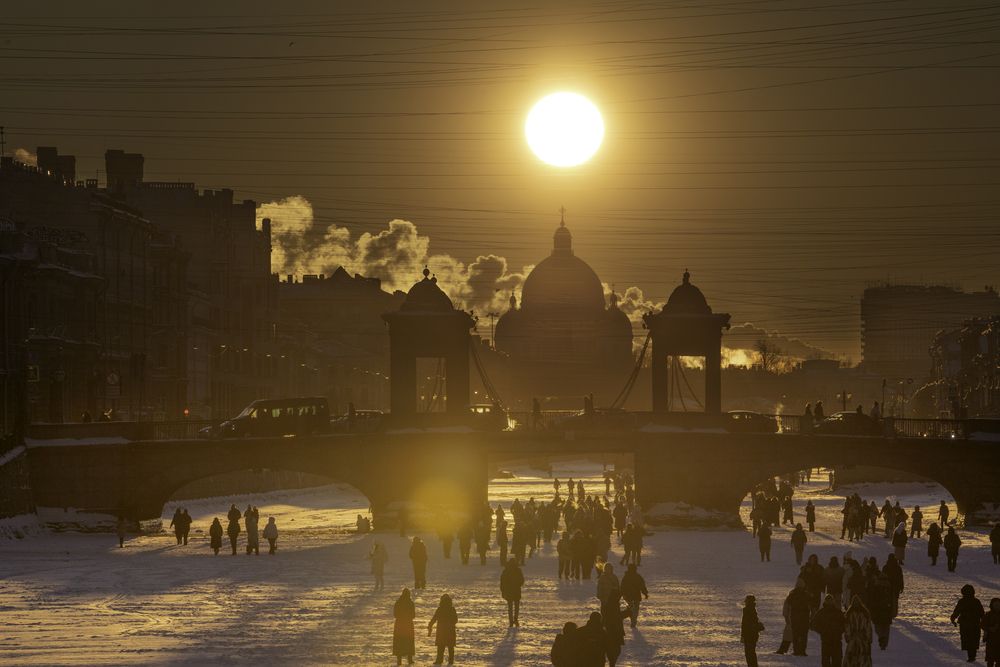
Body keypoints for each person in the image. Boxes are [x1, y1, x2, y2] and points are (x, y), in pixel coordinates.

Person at [951, 584, 986, 662]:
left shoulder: (964, 601)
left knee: (969, 640)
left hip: (969, 624)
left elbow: (957, 611)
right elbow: (982, 613)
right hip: (972, 624)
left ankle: (971, 656)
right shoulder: (975, 601)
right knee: (972, 640)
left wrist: (953, 618)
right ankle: (972, 656)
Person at [810, 594, 845, 667]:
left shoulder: (837, 612)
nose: (829, 602)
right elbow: (813, 624)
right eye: (828, 600)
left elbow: (844, 624)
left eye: (830, 600)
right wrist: (823, 631)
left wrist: (839, 630)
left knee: (835, 661)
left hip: (835, 640)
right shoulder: (822, 612)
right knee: (828, 661)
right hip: (827, 640)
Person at [843, 595, 873, 667]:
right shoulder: (865, 614)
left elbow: (847, 628)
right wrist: (868, 639)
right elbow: (868, 628)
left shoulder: (849, 614)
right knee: (863, 660)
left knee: (851, 660)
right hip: (863, 641)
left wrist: (848, 638)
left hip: (853, 641)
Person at [428, 594, 458, 666]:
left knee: (441, 646)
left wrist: (430, 625)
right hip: (450, 630)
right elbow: (456, 620)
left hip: (441, 630)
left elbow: (434, 618)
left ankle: (439, 660)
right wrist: (451, 623)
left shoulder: (440, 609)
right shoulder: (452, 609)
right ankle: (451, 661)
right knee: (450, 647)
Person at [620, 563, 648, 628]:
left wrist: (645, 593)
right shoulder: (633, 576)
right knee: (634, 610)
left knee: (632, 609)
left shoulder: (628, 576)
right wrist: (645, 593)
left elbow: (622, 587)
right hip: (632, 596)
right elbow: (642, 586)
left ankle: (631, 620)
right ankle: (631, 620)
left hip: (632, 597)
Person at [393, 589, 415, 666]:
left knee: (399, 641)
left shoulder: (398, 602)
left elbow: (395, 614)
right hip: (408, 625)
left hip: (399, 625)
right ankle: (410, 659)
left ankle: (399, 660)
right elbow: (413, 615)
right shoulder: (411, 603)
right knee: (409, 641)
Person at [788, 582, 811, 656]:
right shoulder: (806, 594)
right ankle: (802, 651)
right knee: (804, 635)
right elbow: (811, 603)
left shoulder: (792, 594)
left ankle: (796, 650)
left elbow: (788, 602)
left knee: (795, 635)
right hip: (804, 618)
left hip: (795, 618)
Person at [741, 594, 764, 667]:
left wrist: (743, 635)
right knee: (751, 653)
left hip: (749, 635)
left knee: (749, 653)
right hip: (752, 635)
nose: (745, 602)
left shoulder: (748, 610)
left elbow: (745, 625)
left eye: (746, 601)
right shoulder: (752, 609)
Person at [500, 559, 524, 627]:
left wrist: (503, 591)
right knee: (516, 607)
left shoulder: (506, 571)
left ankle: (511, 621)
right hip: (517, 591)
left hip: (509, 591)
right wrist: (518, 585)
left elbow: (502, 582)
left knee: (510, 607)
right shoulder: (518, 570)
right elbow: (522, 580)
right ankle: (515, 620)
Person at [883, 554, 904, 618]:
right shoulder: (898, 567)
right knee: (895, 600)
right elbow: (901, 578)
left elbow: (883, 577)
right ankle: (894, 613)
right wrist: (901, 586)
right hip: (896, 586)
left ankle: (888, 612)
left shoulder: (885, 567)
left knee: (888, 600)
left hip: (887, 586)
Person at [983, 597, 1000, 667]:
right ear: (992, 605)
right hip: (991, 640)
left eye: (998, 605)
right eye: (995, 605)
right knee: (990, 660)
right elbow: (982, 625)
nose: (997, 606)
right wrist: (990, 629)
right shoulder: (988, 615)